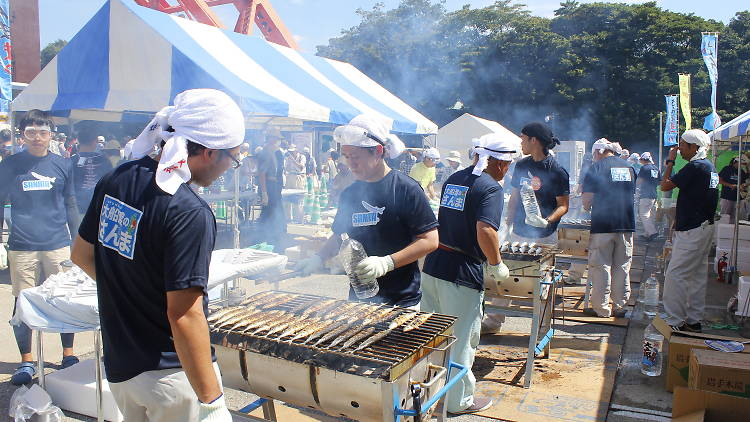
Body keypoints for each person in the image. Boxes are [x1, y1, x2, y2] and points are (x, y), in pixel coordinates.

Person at [71, 89, 242, 421]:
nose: (229, 168)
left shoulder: (117, 178)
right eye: (232, 159)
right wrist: (212, 403)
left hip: (122, 367)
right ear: (208, 152)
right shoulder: (188, 211)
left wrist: (131, 291)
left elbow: (81, 254)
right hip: (171, 376)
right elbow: (184, 316)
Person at [296, 115, 439, 308]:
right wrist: (318, 257)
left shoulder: (406, 189)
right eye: (346, 157)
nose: (350, 164)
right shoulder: (350, 193)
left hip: (402, 300)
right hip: (360, 298)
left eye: (355, 157)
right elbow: (340, 236)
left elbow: (430, 240)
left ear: (378, 152)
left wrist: (387, 263)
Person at [421, 133, 516, 415]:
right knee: (461, 340)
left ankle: (424, 392)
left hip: (435, 265)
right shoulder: (491, 188)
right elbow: (485, 229)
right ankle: (458, 401)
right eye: (507, 164)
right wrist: (496, 263)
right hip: (461, 273)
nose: (507, 170)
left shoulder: (454, 178)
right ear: (498, 163)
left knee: (433, 336)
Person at [0, 109, 80, 385]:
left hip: (57, 244)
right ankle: (26, 361)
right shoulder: (10, 165)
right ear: (22, 135)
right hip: (22, 245)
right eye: (31, 132)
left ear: (50, 135)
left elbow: (70, 204)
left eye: (43, 132)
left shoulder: (63, 165)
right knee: (23, 303)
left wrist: (77, 242)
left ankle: (68, 355)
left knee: (62, 299)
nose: (37, 137)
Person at [660, 129, 718, 332]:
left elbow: (665, 186)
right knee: (696, 275)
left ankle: (674, 319)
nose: (680, 149)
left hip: (693, 230)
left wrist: (670, 161)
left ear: (695, 147)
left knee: (676, 274)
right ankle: (693, 319)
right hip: (704, 226)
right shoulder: (709, 167)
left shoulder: (695, 166)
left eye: (683, 145)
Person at [581, 139, 636, 318]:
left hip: (603, 225)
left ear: (598, 152)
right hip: (626, 224)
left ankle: (602, 308)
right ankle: (620, 306)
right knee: (622, 266)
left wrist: (586, 207)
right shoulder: (629, 167)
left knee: (601, 266)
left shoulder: (596, 169)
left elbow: (587, 202)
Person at [505, 122, 569, 244]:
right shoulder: (521, 165)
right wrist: (508, 225)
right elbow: (514, 196)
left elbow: (563, 205)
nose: (521, 143)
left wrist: (547, 221)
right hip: (518, 233)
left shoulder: (556, 170)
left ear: (533, 140)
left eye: (522, 138)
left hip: (544, 236)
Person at [70, 121, 114, 215]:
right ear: (95, 141)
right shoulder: (104, 161)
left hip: (76, 209)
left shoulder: (71, 161)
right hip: (100, 209)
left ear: (79, 140)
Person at [256, 127, 287, 250]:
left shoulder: (279, 153)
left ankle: (275, 238)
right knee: (269, 213)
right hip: (268, 187)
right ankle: (264, 238)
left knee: (276, 213)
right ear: (270, 138)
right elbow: (262, 173)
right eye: (275, 138)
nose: (277, 140)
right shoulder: (264, 153)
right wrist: (264, 192)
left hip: (276, 187)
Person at [637, 152, 660, 240]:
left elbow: (639, 181)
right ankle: (647, 233)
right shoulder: (656, 168)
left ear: (644, 160)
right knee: (650, 215)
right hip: (654, 194)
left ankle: (652, 232)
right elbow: (659, 182)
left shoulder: (644, 168)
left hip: (645, 194)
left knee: (643, 214)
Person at [718, 156, 747, 223]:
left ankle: (731, 232)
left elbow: (744, 183)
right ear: (735, 162)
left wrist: (742, 186)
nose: (741, 165)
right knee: (724, 217)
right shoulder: (727, 169)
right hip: (726, 197)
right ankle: (723, 231)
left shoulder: (742, 172)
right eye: (741, 163)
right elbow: (719, 180)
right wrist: (730, 185)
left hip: (738, 199)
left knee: (735, 219)